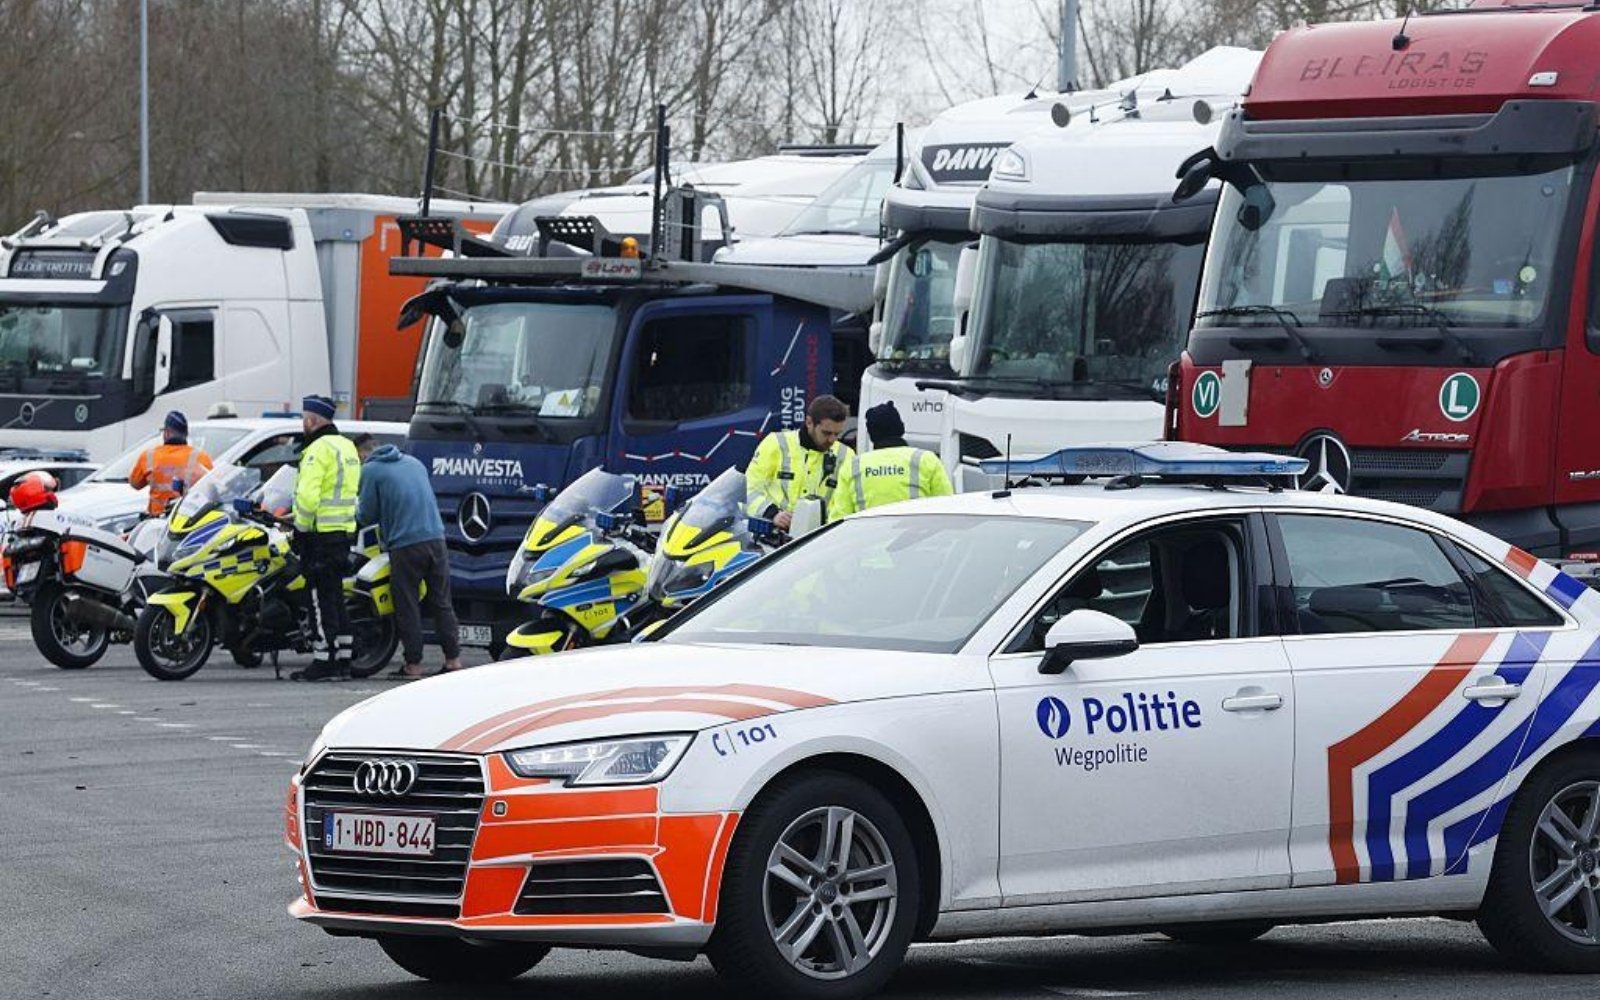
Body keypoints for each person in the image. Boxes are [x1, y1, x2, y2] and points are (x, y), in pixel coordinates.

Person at [356, 436, 464, 679]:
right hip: (436, 539)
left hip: (406, 544)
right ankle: (453, 660)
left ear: (363, 453)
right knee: (441, 602)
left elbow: (367, 515)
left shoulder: (371, 470)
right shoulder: (414, 463)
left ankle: (413, 665)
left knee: (407, 604)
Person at [289, 395, 361, 683]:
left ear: (312, 420)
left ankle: (323, 660)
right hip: (342, 533)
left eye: (304, 417)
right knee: (336, 597)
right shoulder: (347, 446)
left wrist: (301, 529)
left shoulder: (317, 449)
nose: (303, 423)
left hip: (319, 535)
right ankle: (343, 658)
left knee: (320, 598)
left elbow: (308, 497)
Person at [745, 395, 853, 531]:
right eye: (826, 433)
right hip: (773, 536)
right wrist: (772, 514)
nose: (832, 440)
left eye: (837, 434)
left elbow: (846, 504)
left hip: (819, 539)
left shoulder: (846, 455)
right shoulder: (776, 444)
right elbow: (749, 489)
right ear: (809, 422)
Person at [829, 401, 953, 519]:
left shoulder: (852, 467)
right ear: (901, 428)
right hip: (918, 539)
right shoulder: (926, 460)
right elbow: (948, 509)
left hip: (869, 540)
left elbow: (838, 518)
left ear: (871, 435)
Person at [129, 411, 213, 515]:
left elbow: (135, 484)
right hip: (186, 518)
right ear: (186, 434)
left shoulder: (148, 455)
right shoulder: (200, 456)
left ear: (167, 433)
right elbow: (211, 488)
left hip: (156, 520)